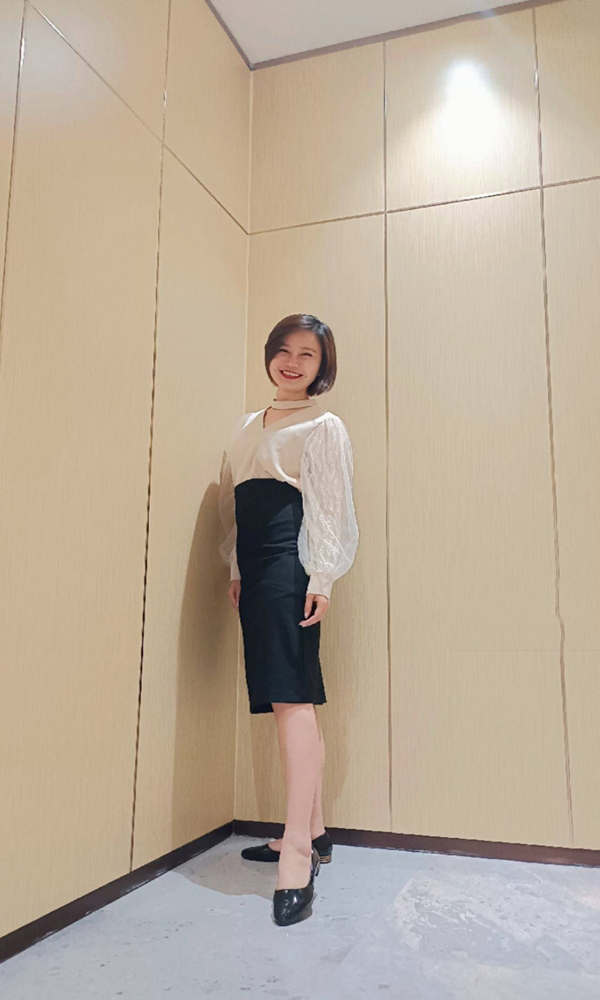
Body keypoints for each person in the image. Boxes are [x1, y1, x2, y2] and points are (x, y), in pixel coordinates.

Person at [218, 313, 359, 926]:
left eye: (309, 354)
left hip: (290, 564)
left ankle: (298, 853)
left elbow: (328, 508)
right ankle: (315, 833)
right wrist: (236, 568)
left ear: (323, 366)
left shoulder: (323, 425)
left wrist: (321, 578)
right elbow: (235, 505)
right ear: (270, 354)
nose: (293, 362)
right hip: (255, 568)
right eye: (285, 349)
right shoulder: (247, 425)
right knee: (287, 697)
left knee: (291, 699)